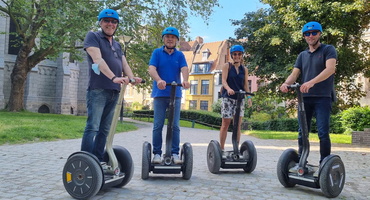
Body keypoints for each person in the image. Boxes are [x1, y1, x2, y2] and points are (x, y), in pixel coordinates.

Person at [81, 8, 142, 164]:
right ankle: (86, 161)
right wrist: (113, 77)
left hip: (114, 91)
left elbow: (124, 63)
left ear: (117, 25)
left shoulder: (117, 44)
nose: (110, 24)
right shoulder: (93, 37)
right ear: (101, 22)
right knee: (93, 127)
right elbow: (98, 60)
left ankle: (99, 160)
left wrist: (132, 77)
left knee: (105, 129)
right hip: (98, 89)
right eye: (107, 21)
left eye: (114, 22)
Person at [280, 21, 337, 164]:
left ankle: (324, 163)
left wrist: (311, 82)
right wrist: (286, 83)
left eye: (313, 33)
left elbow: (330, 69)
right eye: (307, 34)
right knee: (302, 131)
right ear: (304, 36)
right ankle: (302, 160)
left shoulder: (328, 50)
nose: (310, 36)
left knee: (323, 132)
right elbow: (294, 74)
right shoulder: (302, 55)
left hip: (323, 97)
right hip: (305, 98)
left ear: (319, 34)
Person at [148, 27, 190, 164]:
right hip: (160, 94)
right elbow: (151, 68)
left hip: (175, 94)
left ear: (177, 40)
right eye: (167, 37)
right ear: (163, 39)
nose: (170, 39)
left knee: (175, 125)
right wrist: (159, 80)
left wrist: (185, 80)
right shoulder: (157, 53)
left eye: (173, 37)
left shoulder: (180, 55)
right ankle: (157, 153)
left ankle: (175, 153)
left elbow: (184, 68)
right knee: (158, 125)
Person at [219, 45, 252, 154]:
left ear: (242, 55)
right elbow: (224, 81)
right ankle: (221, 148)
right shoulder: (226, 66)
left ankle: (236, 149)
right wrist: (228, 89)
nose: (237, 56)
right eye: (235, 54)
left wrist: (249, 97)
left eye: (239, 54)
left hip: (239, 98)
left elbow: (245, 84)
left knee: (237, 124)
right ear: (232, 55)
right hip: (228, 98)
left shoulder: (244, 69)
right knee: (225, 123)